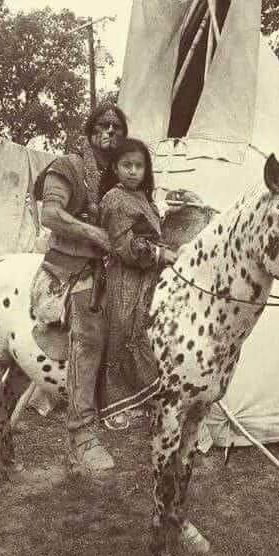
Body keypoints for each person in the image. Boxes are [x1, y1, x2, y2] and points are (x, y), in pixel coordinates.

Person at [34, 102, 128, 474]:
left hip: (105, 271)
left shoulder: (120, 176)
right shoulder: (68, 166)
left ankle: (117, 402)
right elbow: (51, 214)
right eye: (103, 125)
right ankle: (80, 434)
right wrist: (94, 233)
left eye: (117, 127)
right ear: (90, 131)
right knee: (89, 335)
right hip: (66, 269)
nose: (110, 131)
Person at [97, 137, 178, 423]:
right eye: (126, 165)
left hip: (150, 269)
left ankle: (153, 388)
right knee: (126, 321)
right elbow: (123, 245)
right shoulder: (115, 198)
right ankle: (116, 400)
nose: (133, 171)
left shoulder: (142, 196)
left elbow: (150, 229)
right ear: (116, 168)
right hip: (125, 271)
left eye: (138, 166)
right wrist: (160, 254)